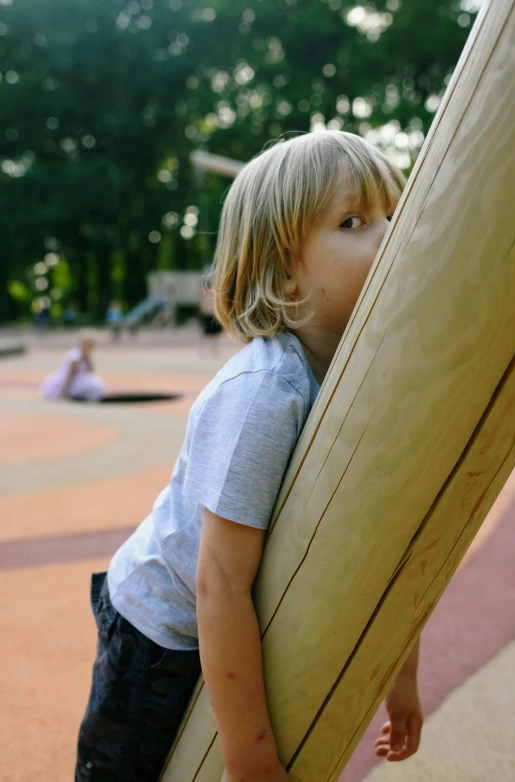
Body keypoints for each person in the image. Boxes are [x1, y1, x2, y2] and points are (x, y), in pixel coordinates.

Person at [75, 131, 423, 782]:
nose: (389, 235)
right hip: (161, 630)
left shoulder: (369, 372)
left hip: (228, 604)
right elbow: (219, 583)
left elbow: (384, 539)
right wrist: (252, 761)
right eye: (353, 221)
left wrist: (398, 677)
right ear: (283, 269)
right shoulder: (266, 395)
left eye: (394, 215)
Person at [40, 328, 106, 402]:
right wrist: (64, 393)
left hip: (77, 380)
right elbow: (70, 375)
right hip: (68, 382)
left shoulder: (84, 355)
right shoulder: (76, 356)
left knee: (97, 384)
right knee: (96, 386)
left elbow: (90, 371)